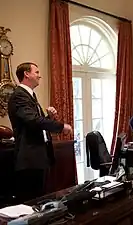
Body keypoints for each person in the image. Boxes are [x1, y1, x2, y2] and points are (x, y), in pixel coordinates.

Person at [8, 62, 72, 202]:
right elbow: (33, 121)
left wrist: (49, 117)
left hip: (39, 155)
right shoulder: (19, 95)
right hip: (29, 157)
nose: (39, 75)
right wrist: (61, 126)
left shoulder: (30, 96)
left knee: (41, 198)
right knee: (31, 201)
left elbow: (36, 122)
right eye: (36, 72)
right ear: (26, 74)